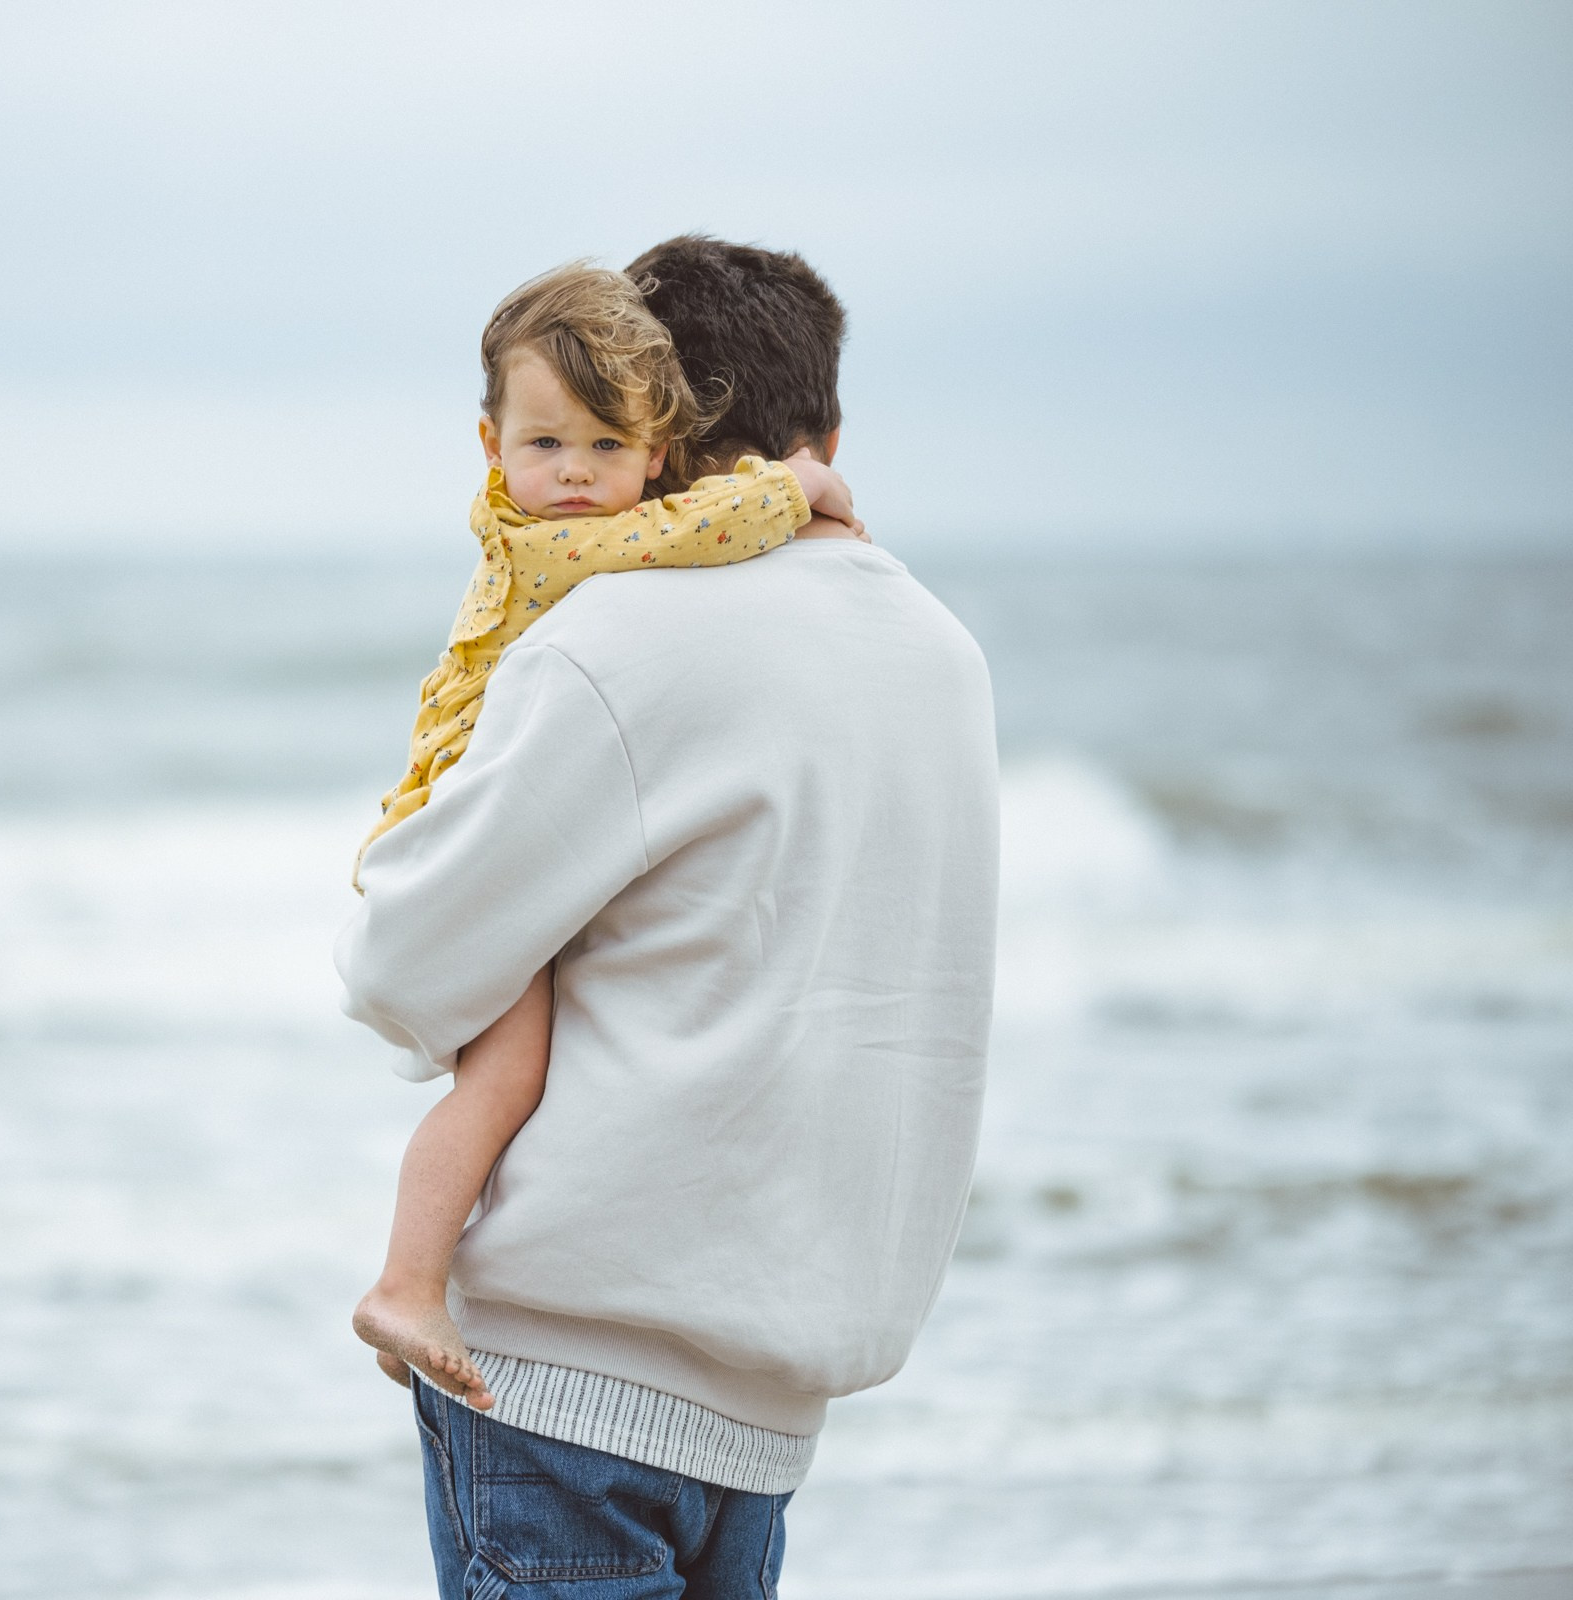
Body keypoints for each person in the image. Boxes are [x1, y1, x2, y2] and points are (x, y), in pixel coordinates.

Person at [335, 235, 998, 1595]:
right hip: (776, 1391)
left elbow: (402, 960)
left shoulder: (616, 639)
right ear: (825, 430)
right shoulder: (946, 656)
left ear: (662, 429)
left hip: (563, 1386)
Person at [349, 261, 863, 1411]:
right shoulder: (563, 549)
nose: (575, 477)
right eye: (545, 447)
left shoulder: (555, 526)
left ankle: (416, 1280)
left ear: (658, 446)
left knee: (509, 1067)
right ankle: (407, 1279)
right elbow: (703, 526)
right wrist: (800, 491)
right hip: (448, 818)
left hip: (475, 810)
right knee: (507, 1071)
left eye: (603, 446)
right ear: (491, 445)